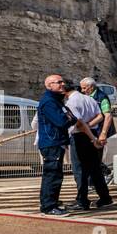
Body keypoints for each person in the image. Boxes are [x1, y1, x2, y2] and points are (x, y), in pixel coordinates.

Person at [62, 80, 113, 210]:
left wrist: (86, 129)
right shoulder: (88, 99)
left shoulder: (71, 102)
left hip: (80, 136)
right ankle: (105, 197)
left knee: (79, 170)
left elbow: (78, 123)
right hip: (92, 132)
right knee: (95, 168)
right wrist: (90, 128)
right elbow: (100, 116)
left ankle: (82, 200)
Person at [36, 73, 74, 216]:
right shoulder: (49, 102)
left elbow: (73, 118)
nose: (62, 84)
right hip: (51, 142)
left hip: (56, 141)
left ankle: (52, 202)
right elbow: (62, 121)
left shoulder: (56, 100)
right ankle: (48, 206)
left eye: (62, 82)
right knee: (52, 175)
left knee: (55, 174)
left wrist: (69, 118)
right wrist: (68, 118)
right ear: (49, 85)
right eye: (58, 82)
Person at [80, 78, 115, 182]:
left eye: (84, 88)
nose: (82, 90)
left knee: (95, 156)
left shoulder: (101, 97)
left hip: (99, 131)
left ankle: (99, 177)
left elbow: (107, 116)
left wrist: (103, 133)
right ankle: (104, 173)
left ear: (91, 87)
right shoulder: (86, 96)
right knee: (91, 156)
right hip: (90, 130)